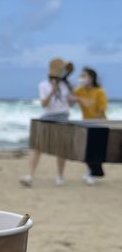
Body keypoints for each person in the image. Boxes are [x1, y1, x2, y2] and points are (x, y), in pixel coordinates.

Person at [20, 58, 75, 188]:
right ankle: (30, 176)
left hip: (63, 117)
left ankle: (60, 176)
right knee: (38, 147)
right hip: (48, 117)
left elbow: (70, 105)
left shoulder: (66, 85)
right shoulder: (43, 85)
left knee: (62, 149)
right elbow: (44, 104)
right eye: (61, 69)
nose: (63, 72)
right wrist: (52, 91)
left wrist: (74, 99)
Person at [74, 67, 108, 185]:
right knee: (86, 150)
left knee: (95, 151)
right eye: (81, 76)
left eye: (84, 76)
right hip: (85, 124)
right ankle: (90, 172)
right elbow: (70, 97)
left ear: (91, 78)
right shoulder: (80, 90)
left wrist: (96, 123)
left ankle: (91, 174)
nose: (82, 78)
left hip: (99, 124)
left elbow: (102, 110)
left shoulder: (100, 91)